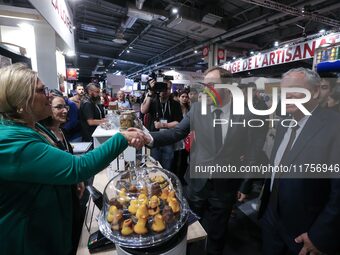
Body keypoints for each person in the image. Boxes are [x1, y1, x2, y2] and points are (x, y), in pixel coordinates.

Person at [0, 63, 146, 255]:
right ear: (21, 101)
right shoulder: (11, 143)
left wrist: (72, 182)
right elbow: (77, 166)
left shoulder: (34, 127)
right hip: (29, 240)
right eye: (42, 90)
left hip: (51, 229)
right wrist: (123, 138)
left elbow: (57, 164)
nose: (50, 94)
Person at [139, 66, 258, 255]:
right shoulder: (197, 110)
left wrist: (245, 185)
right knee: (192, 228)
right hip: (196, 183)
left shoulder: (247, 114)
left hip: (225, 186)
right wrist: (148, 138)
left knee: (217, 234)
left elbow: (253, 151)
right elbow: (177, 132)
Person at [258, 68, 340, 255]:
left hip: (306, 231)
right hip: (271, 220)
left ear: (316, 91)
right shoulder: (284, 122)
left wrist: (320, 236)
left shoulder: (335, 127)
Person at [38, 93, 85, 254]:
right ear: (46, 109)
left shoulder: (61, 132)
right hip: (58, 200)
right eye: (59, 107)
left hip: (71, 194)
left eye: (65, 106)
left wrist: (78, 180)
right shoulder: (42, 137)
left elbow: (70, 159)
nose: (65, 110)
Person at [140, 80, 182, 171]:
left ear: (170, 90)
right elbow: (143, 110)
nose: (165, 90)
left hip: (168, 138)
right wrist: (151, 92)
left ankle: (166, 181)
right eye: (162, 88)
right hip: (154, 138)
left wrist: (163, 124)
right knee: (154, 165)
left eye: (167, 88)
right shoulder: (152, 100)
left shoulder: (175, 104)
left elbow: (178, 122)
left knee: (167, 165)